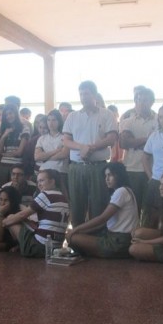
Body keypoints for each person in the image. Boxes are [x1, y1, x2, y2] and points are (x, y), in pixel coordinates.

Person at [63, 80, 118, 227]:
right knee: (76, 205)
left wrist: (91, 148)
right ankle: (77, 237)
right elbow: (66, 140)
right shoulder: (72, 116)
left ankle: (96, 237)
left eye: (86, 94)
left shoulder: (107, 114)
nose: (83, 97)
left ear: (94, 95)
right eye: (81, 94)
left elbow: (111, 138)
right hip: (76, 167)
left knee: (98, 205)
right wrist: (81, 147)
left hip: (98, 167)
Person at [67, 162, 139, 258]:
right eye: (105, 176)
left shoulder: (121, 192)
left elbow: (103, 218)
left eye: (110, 175)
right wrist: (81, 230)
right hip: (121, 239)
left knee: (73, 238)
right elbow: (104, 223)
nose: (107, 179)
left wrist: (76, 229)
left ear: (119, 175)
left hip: (118, 242)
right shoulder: (127, 190)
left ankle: (94, 255)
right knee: (79, 234)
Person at [2, 169, 70, 258]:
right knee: (29, 222)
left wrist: (4, 222)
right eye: (38, 181)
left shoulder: (46, 195)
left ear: (52, 181)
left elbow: (22, 215)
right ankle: (21, 245)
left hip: (40, 247)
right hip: (56, 247)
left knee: (11, 218)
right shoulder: (63, 197)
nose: (39, 184)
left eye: (42, 180)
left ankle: (23, 247)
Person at [119, 87, 157, 213]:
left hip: (154, 169)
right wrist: (148, 139)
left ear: (152, 102)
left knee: (151, 208)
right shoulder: (127, 121)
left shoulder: (159, 120)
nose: (140, 103)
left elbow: (158, 144)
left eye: (145, 100)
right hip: (132, 168)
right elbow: (124, 143)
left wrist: (135, 142)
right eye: (138, 100)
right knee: (133, 206)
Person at [0, 104, 29, 190]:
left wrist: (4, 154)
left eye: (10, 113)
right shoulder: (2, 128)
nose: (8, 116)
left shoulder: (24, 128)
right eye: (6, 114)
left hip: (17, 166)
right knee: (1, 191)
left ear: (16, 113)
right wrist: (4, 136)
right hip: (3, 167)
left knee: (16, 192)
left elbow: (19, 152)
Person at [34, 109, 69, 193]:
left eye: (54, 120)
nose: (51, 123)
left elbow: (64, 154)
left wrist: (45, 157)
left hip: (60, 171)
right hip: (44, 171)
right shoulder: (42, 138)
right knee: (42, 197)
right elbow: (37, 157)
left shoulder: (65, 137)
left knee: (61, 196)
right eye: (49, 120)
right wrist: (56, 151)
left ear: (59, 121)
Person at [0, 186, 22, 252]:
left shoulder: (20, 210)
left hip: (18, 239)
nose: (2, 203)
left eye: (6, 200)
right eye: (0, 199)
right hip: (5, 240)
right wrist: (1, 214)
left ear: (12, 201)